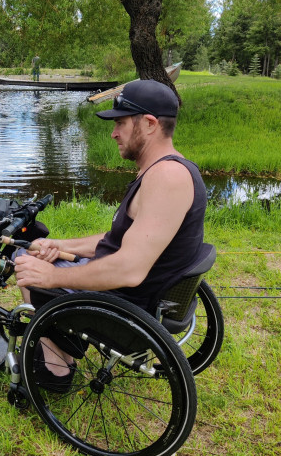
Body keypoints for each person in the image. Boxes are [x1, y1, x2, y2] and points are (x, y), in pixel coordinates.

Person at [14, 79, 207, 388]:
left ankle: (56, 368)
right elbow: (119, 240)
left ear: (149, 124)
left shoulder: (167, 178)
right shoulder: (166, 168)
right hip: (128, 292)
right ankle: (62, 345)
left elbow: (129, 269)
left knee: (24, 262)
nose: (114, 133)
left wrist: (51, 277)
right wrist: (59, 245)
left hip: (124, 304)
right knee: (34, 250)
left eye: (121, 123)